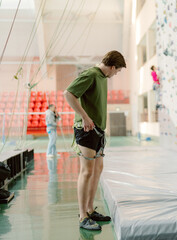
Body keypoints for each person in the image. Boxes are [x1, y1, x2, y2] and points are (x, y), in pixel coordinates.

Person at [64, 50, 126, 231]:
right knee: (87, 171)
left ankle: (90, 210)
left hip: (98, 130)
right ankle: (83, 216)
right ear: (112, 66)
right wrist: (84, 117)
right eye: (117, 71)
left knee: (98, 169)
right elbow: (68, 94)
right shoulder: (91, 74)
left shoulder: (102, 77)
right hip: (86, 130)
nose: (116, 74)